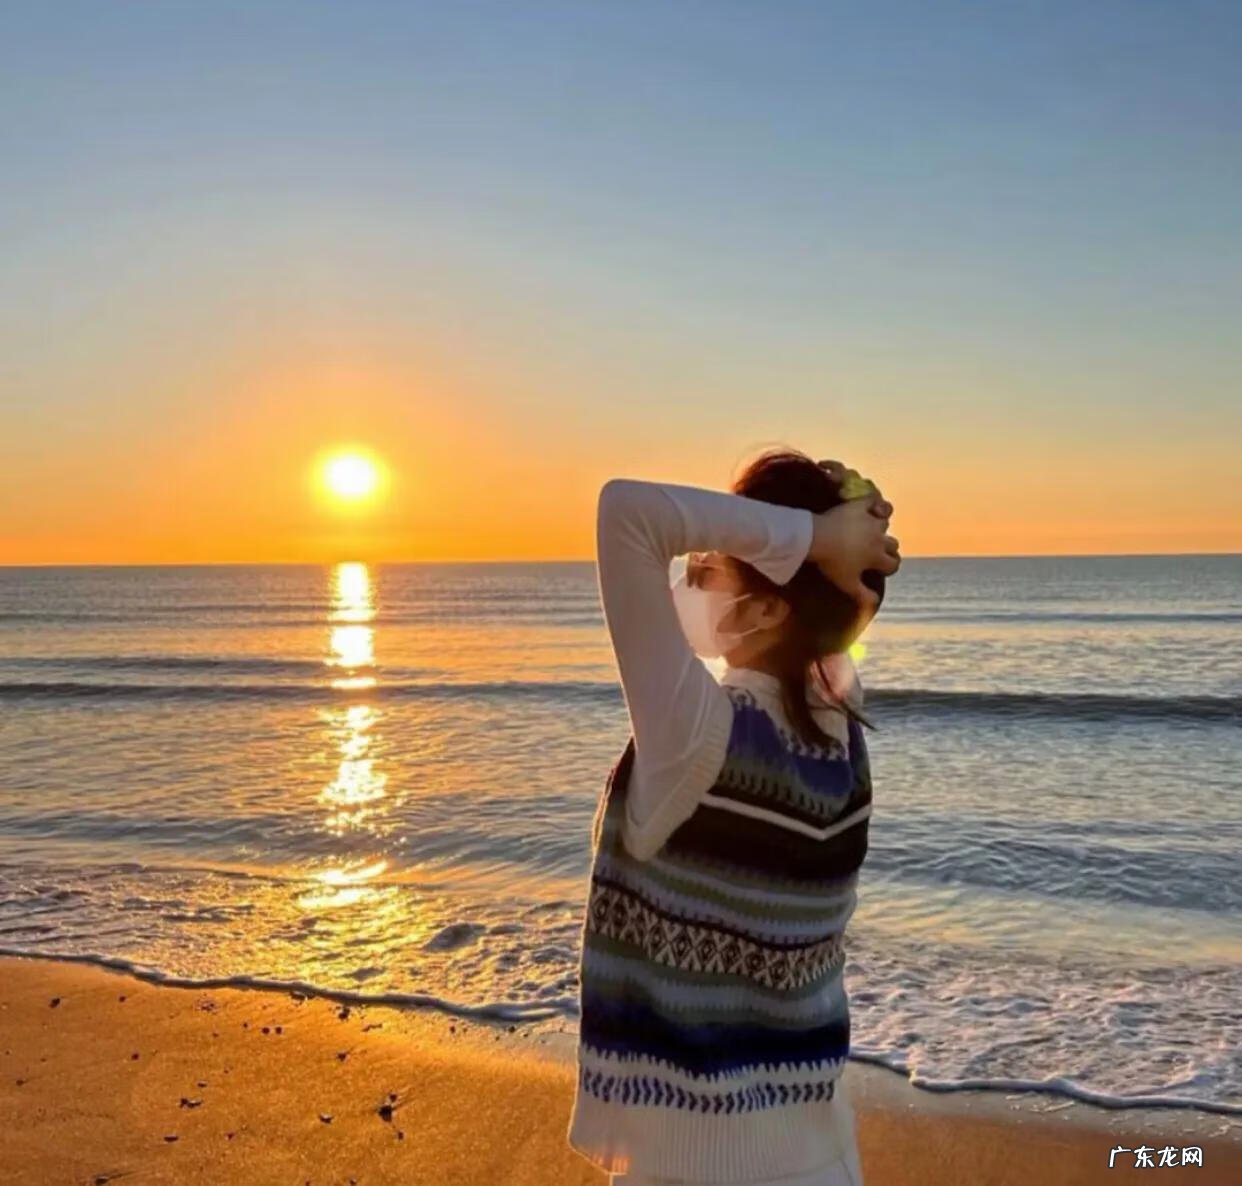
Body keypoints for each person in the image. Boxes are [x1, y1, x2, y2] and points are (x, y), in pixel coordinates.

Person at [565, 447, 900, 1186]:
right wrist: (840, 542)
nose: (696, 573)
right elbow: (841, 610)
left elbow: (627, 512)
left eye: (718, 559)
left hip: (696, 1170)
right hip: (824, 1160)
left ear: (772, 604)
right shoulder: (840, 722)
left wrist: (817, 539)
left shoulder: (695, 736)